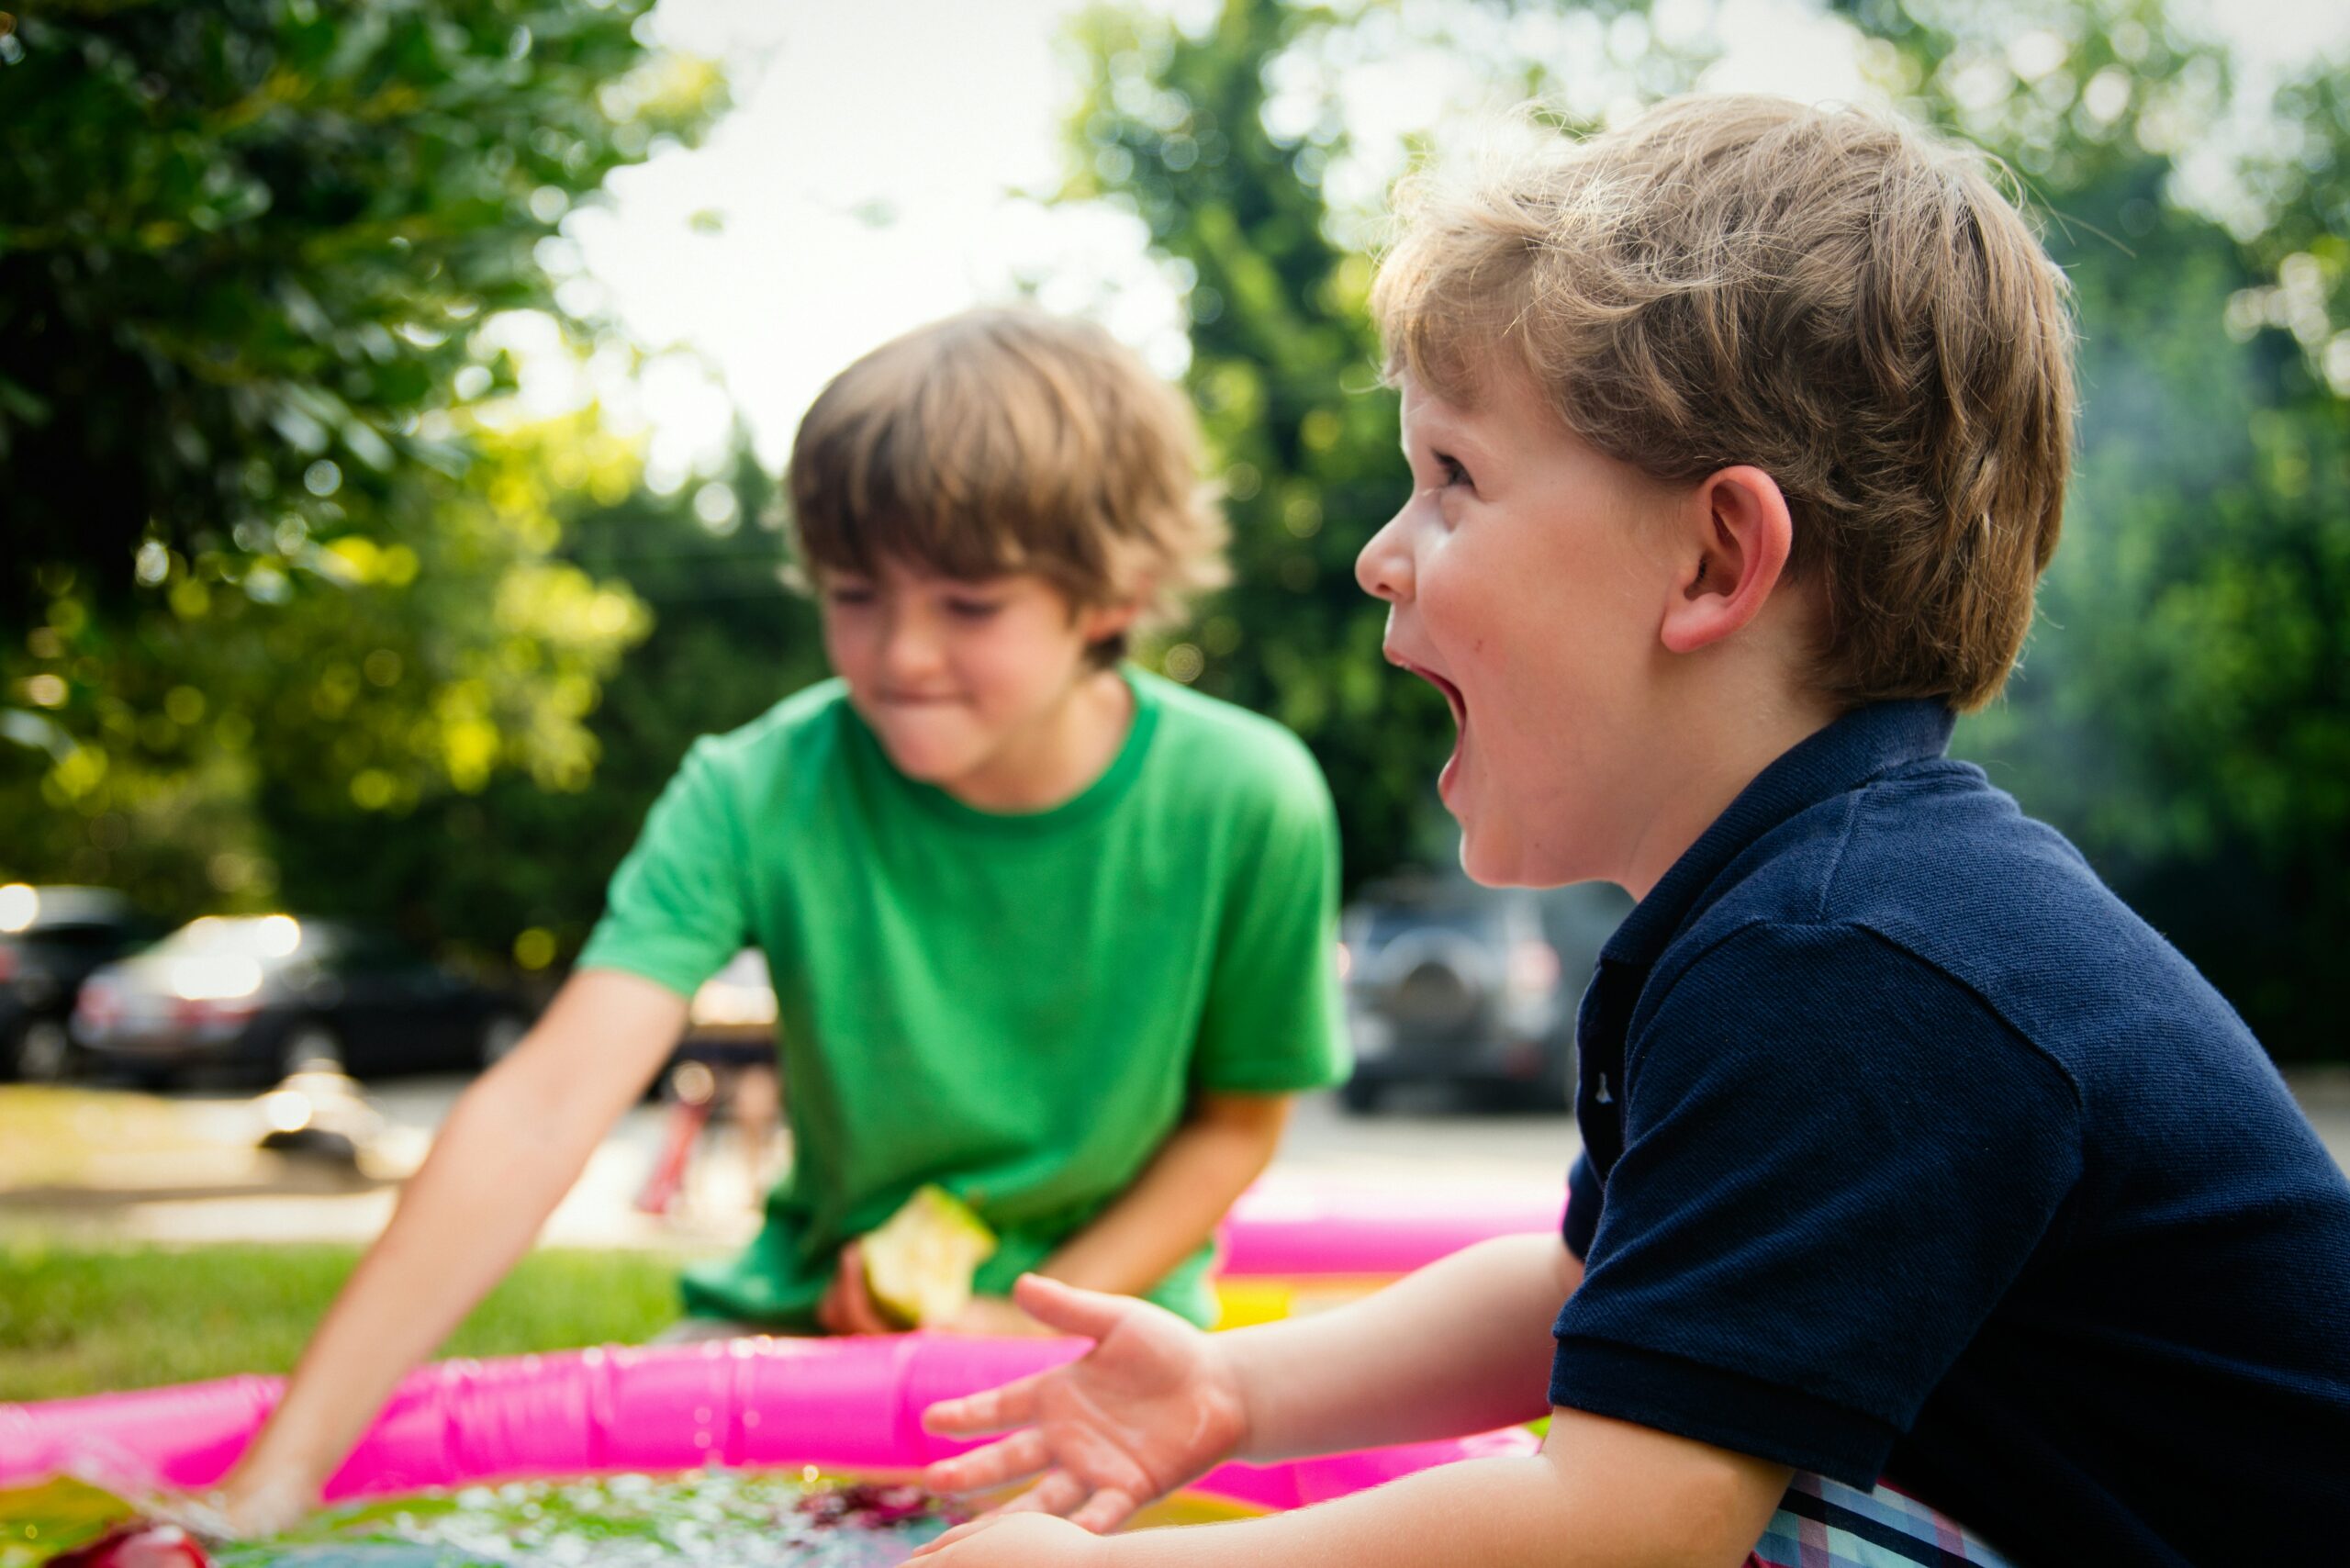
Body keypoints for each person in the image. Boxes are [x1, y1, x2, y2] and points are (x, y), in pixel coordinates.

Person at [901, 96, 2350, 1567]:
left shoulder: (1856, 961)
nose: (1379, 554)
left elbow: (1623, 1527)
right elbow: (1585, 1291)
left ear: (1716, 557)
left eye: (1455, 478)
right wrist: (1232, 1388)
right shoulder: (1798, 912)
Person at [215, 308, 1352, 1529]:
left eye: (969, 605)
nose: (901, 654)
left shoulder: (1250, 798)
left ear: (1112, 593)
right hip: (797, 1335)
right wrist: (273, 1480)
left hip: (1109, 1350)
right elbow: (543, 1107)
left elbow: (1235, 1127)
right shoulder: (754, 787)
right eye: (854, 595)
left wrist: (1020, 1317)